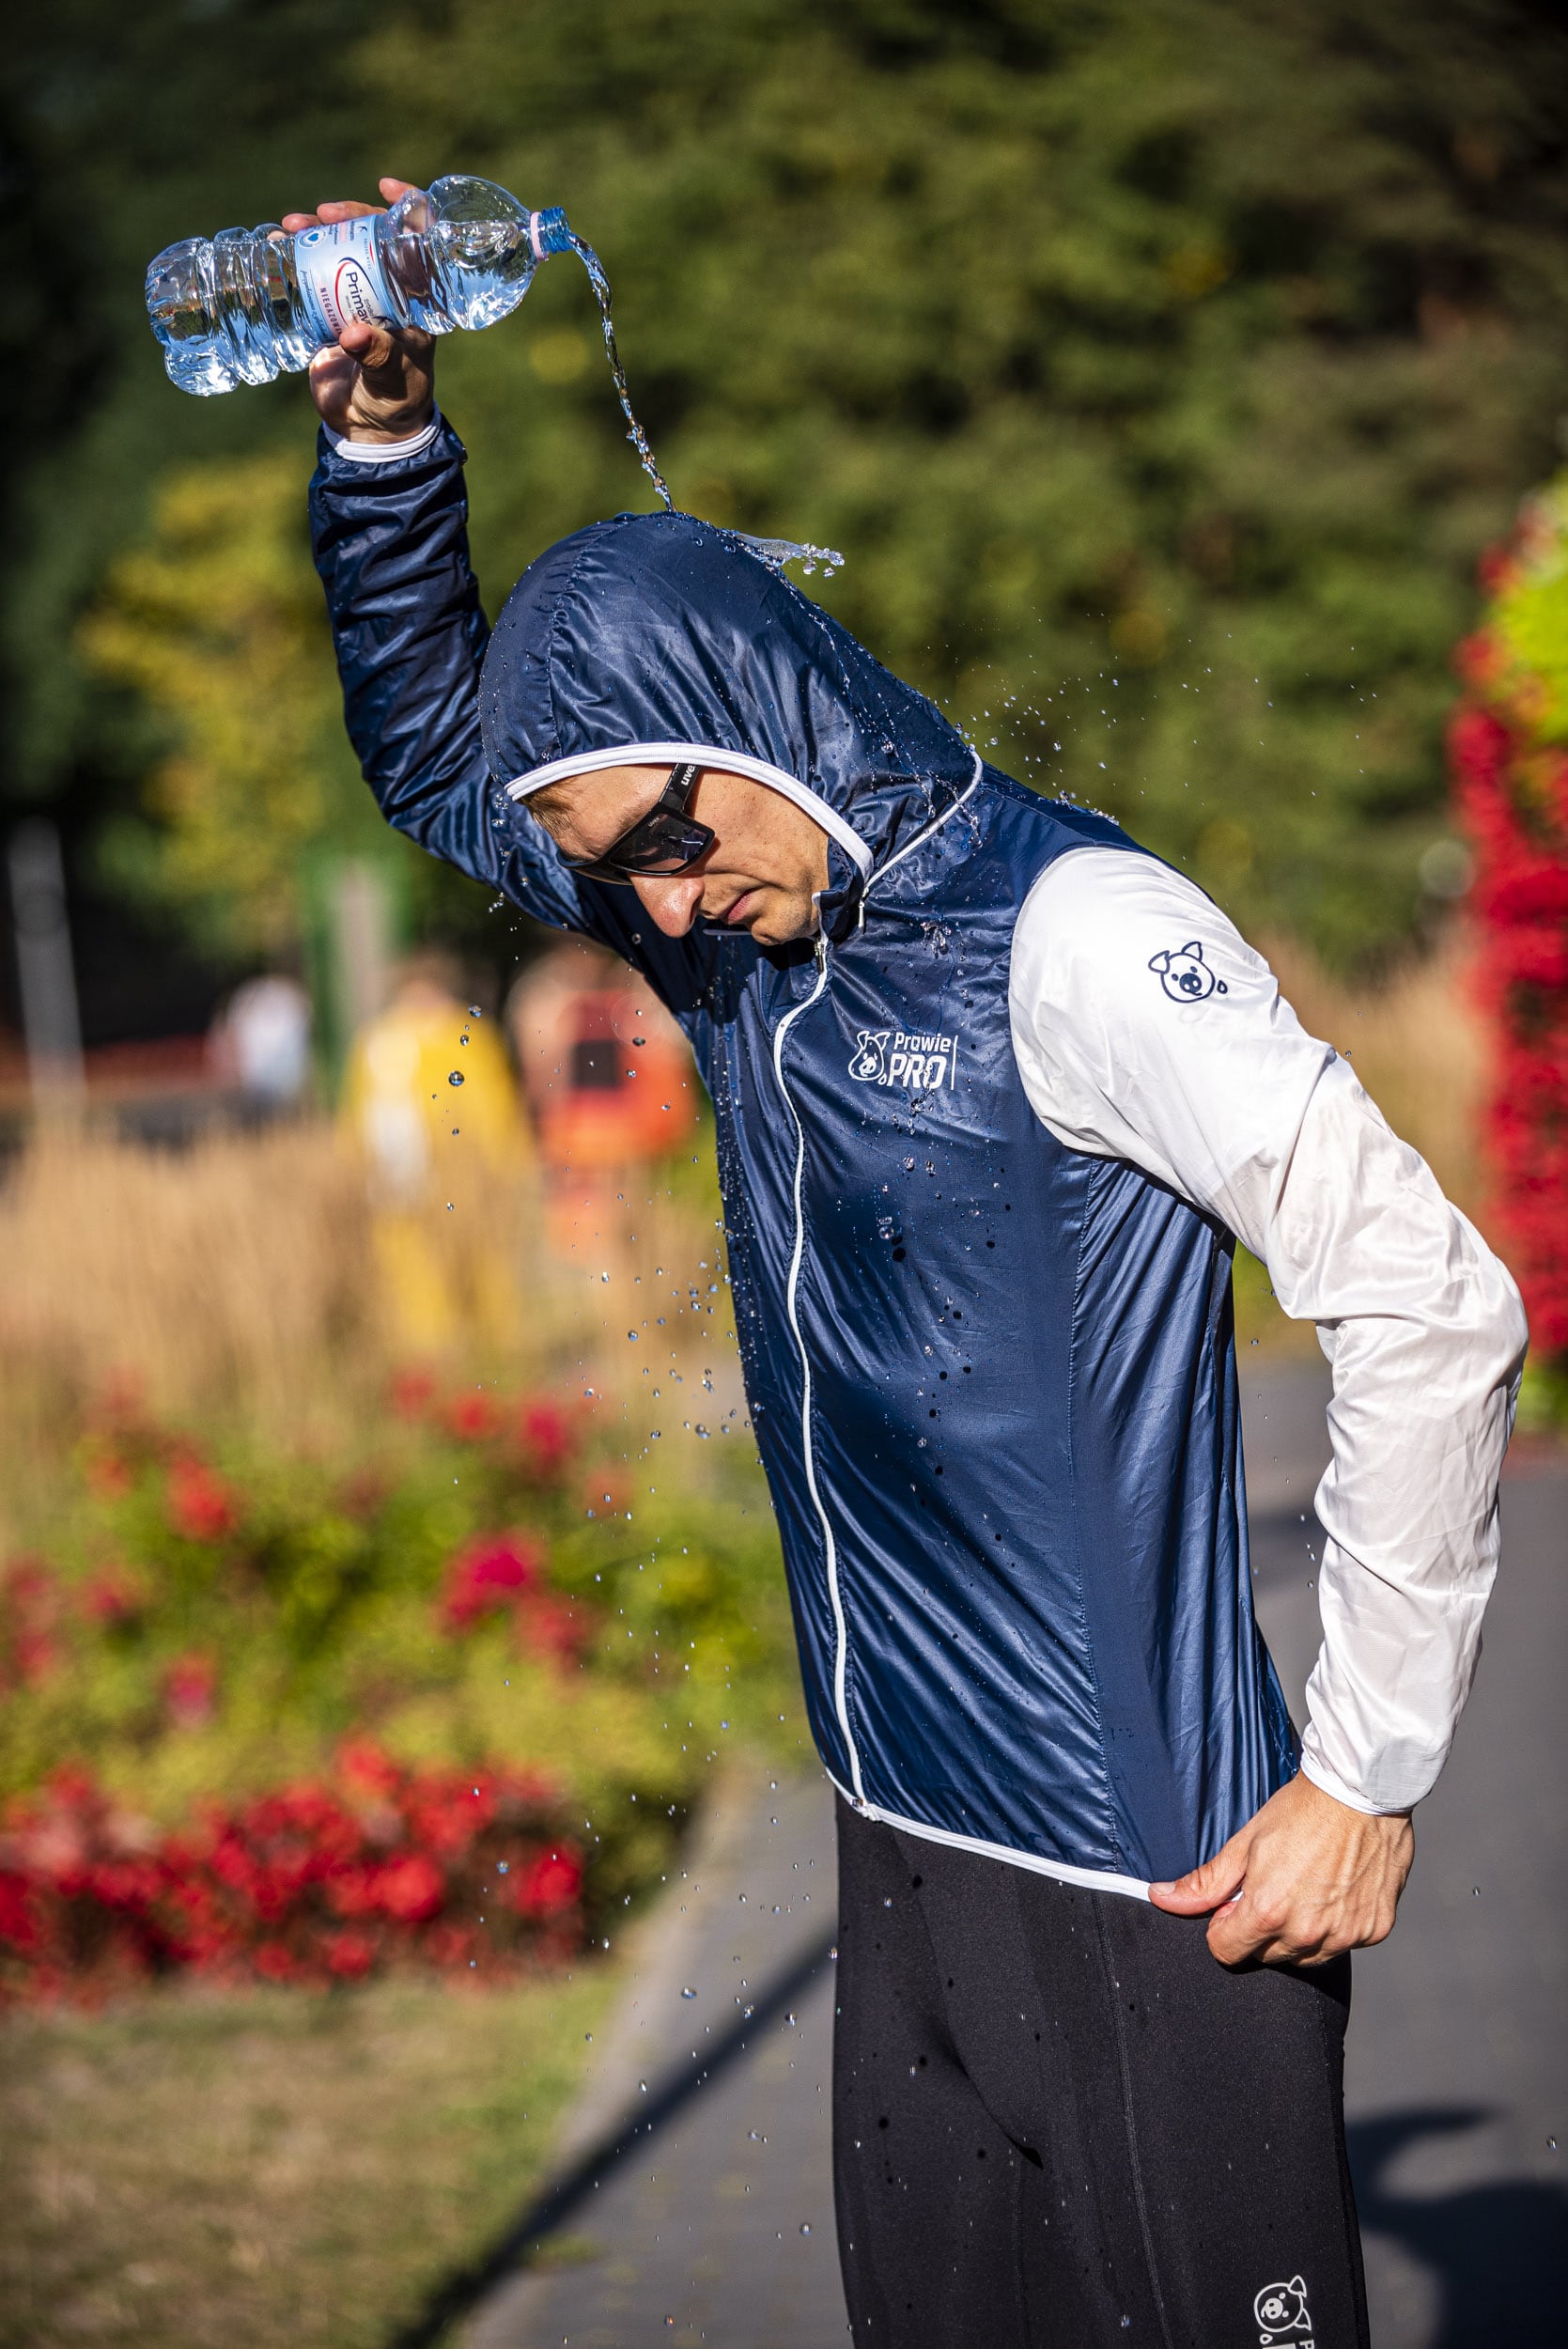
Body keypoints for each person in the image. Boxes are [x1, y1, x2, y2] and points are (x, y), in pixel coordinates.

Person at [297, 179, 1527, 2347]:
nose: (656, 906)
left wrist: (1364, 1771)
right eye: (609, 869)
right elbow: (427, 762)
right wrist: (385, 444)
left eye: (670, 836)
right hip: (903, 1849)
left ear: (767, 708)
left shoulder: (1080, 938)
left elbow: (1428, 1297)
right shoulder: (730, 942)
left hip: (1153, 1886)